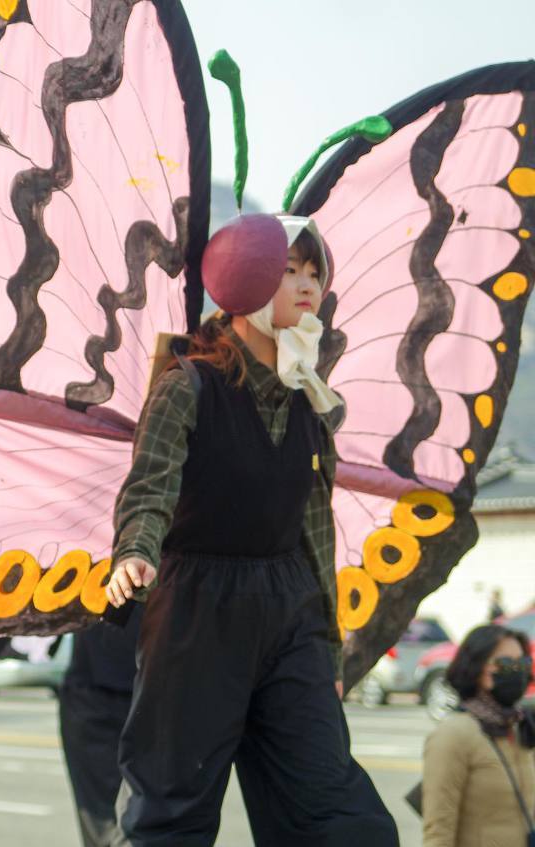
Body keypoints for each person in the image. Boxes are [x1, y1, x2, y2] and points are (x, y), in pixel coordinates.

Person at [105, 214, 397, 845]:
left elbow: (315, 532)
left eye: (314, 271)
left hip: (291, 611)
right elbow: (150, 486)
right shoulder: (187, 385)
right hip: (196, 609)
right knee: (170, 815)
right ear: (244, 278)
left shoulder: (309, 400)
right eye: (288, 269)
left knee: (339, 816)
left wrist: (326, 649)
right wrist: (135, 551)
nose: (307, 284)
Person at [0, 614, 142, 847]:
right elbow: (37, 594)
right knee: (105, 825)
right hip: (96, 691)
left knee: (153, 820)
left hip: (162, 695)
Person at [423, 624, 535, 846]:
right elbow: (438, 830)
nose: (517, 671)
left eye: (523, 663)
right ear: (476, 667)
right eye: (505, 664)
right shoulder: (453, 734)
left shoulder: (518, 726)